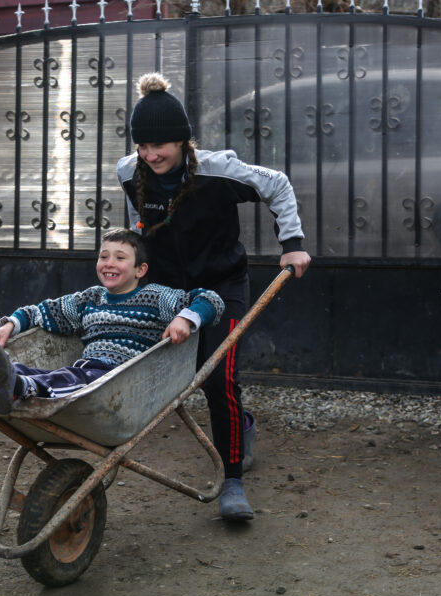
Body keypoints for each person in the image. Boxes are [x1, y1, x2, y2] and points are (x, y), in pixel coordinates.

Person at [117, 72, 311, 521]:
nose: (150, 155)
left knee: (216, 376)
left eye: (159, 146)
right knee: (130, 359)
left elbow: (277, 185)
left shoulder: (219, 170)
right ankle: (238, 428)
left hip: (222, 287)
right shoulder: (131, 172)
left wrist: (293, 243)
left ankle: (233, 480)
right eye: (142, 147)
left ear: (184, 141)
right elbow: (138, 227)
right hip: (166, 289)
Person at [0, 228, 224, 416]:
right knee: (33, 371)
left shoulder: (156, 297)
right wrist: (10, 325)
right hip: (85, 369)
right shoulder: (91, 298)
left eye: (120, 258)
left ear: (140, 270)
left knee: (64, 380)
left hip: (119, 379)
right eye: (103, 256)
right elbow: (43, 311)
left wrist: (185, 318)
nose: (109, 263)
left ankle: (16, 388)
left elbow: (210, 299)